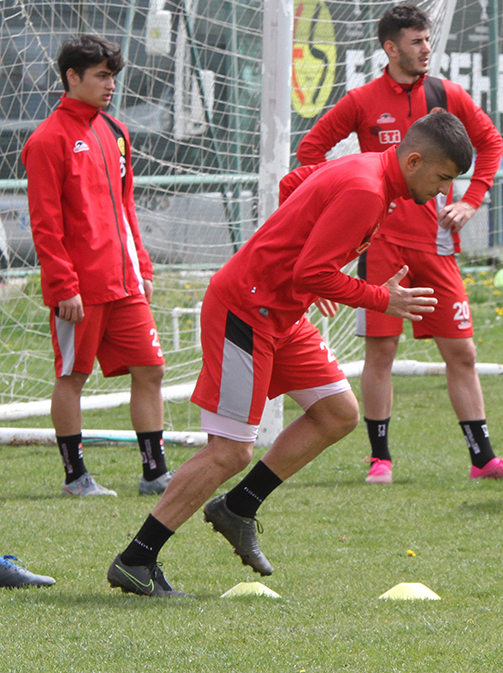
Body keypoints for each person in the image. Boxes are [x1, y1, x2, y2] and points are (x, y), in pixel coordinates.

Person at [106, 112, 474, 597]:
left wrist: (310, 257)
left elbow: (294, 184)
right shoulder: (367, 190)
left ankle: (238, 508)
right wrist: (375, 295)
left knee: (338, 414)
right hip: (247, 309)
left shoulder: (370, 169)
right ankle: (136, 560)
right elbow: (310, 273)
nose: (444, 192)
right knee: (230, 450)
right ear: (413, 160)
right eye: (443, 178)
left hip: (283, 312)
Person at [297, 5, 503, 485]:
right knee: (382, 351)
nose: (426, 49)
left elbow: (491, 143)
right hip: (383, 245)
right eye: (415, 42)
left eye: (427, 40)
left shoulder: (447, 94)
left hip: (436, 245)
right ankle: (380, 459)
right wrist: (341, 197)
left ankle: (483, 458)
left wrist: (472, 199)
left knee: (463, 352)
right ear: (390, 48)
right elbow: (311, 149)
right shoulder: (362, 100)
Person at [22, 35, 171, 498]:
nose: (111, 85)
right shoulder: (47, 140)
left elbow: (127, 209)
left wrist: (141, 264)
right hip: (79, 289)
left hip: (125, 282)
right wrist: (64, 284)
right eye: (102, 76)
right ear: (73, 77)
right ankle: (75, 477)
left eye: (113, 76)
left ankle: (155, 473)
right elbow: (44, 223)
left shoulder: (117, 133)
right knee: (73, 377)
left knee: (151, 369)